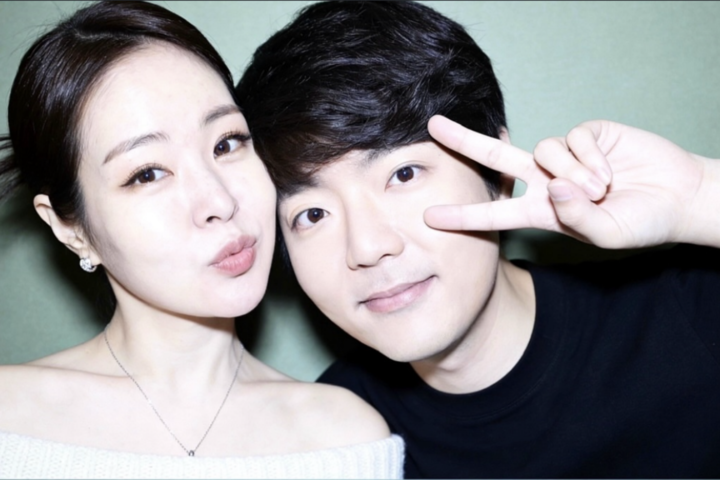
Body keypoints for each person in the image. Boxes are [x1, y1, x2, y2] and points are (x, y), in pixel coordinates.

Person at [235, 1, 720, 478]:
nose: (366, 247)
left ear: (499, 175)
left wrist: (701, 196)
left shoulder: (684, 312)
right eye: (312, 214)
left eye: (404, 174)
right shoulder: (332, 448)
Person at [0, 2, 403, 478]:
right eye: (147, 173)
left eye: (226, 143)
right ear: (71, 229)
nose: (219, 200)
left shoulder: (347, 440)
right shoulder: (12, 418)